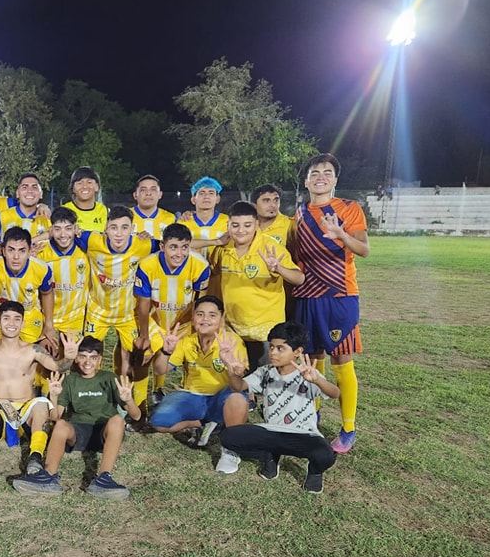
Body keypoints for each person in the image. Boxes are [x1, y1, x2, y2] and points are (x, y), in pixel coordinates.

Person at [291, 153, 370, 453]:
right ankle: (313, 414)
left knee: (342, 360)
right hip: (307, 296)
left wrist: (340, 234)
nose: (320, 176)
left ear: (335, 179)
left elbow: (363, 249)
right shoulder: (298, 213)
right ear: (307, 179)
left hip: (340, 295)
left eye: (326, 172)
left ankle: (348, 428)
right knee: (312, 359)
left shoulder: (349, 209)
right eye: (314, 172)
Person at [0, 302, 78, 477]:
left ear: (23, 323)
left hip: (26, 417)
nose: (12, 323)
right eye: (6, 318)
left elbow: (57, 367)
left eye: (17, 319)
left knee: (40, 404)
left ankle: (35, 458)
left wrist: (69, 358)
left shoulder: (33, 350)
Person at [11, 336, 142, 499]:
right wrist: (53, 396)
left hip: (104, 432)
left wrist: (128, 399)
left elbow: (136, 416)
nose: (88, 362)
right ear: (76, 358)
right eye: (83, 356)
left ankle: (103, 478)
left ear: (100, 359)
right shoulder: (70, 380)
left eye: (93, 357)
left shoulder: (109, 378)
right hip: (79, 431)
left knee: (117, 420)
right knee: (60, 425)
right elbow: (55, 417)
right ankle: (48, 477)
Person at [219, 321, 339, 494]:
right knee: (229, 437)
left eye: (280, 348)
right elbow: (238, 387)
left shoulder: (307, 374)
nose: (273, 353)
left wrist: (317, 380)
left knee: (326, 455)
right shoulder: (265, 372)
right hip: (271, 431)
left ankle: (314, 473)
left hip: (303, 434)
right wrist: (231, 371)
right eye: (272, 347)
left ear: (297, 352)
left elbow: (335, 394)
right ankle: (270, 458)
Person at [150, 296, 249, 471]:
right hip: (192, 395)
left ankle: (230, 451)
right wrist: (166, 351)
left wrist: (233, 369)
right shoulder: (186, 341)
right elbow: (159, 370)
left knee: (238, 398)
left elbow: (237, 385)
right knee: (159, 422)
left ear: (221, 318)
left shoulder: (231, 342)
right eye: (200, 314)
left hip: (222, 397)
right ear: (193, 317)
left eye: (212, 315)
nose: (205, 319)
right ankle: (202, 423)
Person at [208, 200, 304, 372]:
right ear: (228, 225)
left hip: (266, 333)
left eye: (247, 225)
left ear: (256, 225)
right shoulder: (222, 248)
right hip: (233, 330)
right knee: (239, 381)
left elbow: (299, 278)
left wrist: (278, 268)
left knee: (269, 382)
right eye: (235, 225)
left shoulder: (271, 247)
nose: (241, 230)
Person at [79, 205, 159, 408]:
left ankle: (138, 406)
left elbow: (174, 244)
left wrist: (217, 242)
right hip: (98, 311)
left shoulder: (142, 244)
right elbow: (60, 232)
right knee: (86, 356)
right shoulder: (92, 240)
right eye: (114, 227)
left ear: (132, 228)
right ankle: (85, 401)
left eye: (124, 228)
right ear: (105, 228)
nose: (119, 233)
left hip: (127, 313)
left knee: (139, 358)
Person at [134, 223, 210, 404]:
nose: (179, 253)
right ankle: (143, 399)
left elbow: (200, 302)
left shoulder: (200, 266)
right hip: (155, 320)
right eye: (173, 247)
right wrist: (144, 334)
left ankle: (188, 394)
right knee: (145, 354)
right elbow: (143, 303)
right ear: (162, 247)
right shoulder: (146, 265)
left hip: (183, 322)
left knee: (190, 357)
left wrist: (198, 330)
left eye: (185, 247)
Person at [0, 227, 56, 349]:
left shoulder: (42, 269)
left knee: (46, 352)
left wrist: (49, 324)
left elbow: (47, 293)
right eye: (11, 250)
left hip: (28, 317)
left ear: (29, 252)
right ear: (3, 251)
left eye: (22, 251)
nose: (16, 257)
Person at [36, 207, 91, 337]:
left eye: (68, 228)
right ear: (51, 230)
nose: (63, 234)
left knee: (70, 355)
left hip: (75, 319)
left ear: (75, 228)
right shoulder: (41, 251)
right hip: (45, 317)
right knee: (46, 354)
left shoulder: (87, 251)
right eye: (57, 229)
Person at [0, 172, 51, 242]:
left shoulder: (49, 219)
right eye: (25, 187)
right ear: (17, 193)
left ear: (41, 194)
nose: (30, 191)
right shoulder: (3, 216)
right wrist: (1, 248)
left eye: (34, 187)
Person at [180, 176, 229, 254]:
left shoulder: (228, 221)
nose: (206, 197)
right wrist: (216, 242)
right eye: (202, 193)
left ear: (218, 199)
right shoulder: (183, 221)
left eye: (211, 193)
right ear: (193, 199)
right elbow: (179, 245)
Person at [63, 166, 108, 232]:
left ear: (97, 187)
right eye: (79, 183)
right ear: (73, 188)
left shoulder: (104, 211)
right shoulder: (64, 211)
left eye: (89, 182)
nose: (84, 186)